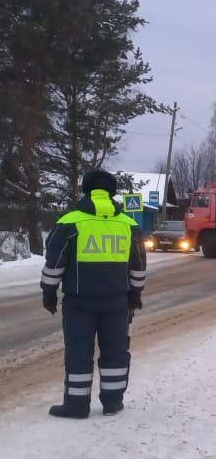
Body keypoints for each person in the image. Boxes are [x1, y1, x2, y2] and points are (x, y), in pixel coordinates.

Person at [41, 170, 146, 418]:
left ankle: (76, 405)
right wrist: (135, 293)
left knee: (79, 349)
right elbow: (139, 265)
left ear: (86, 190)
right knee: (115, 349)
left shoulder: (70, 221)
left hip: (79, 301)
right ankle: (112, 402)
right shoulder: (129, 225)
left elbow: (55, 262)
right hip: (118, 300)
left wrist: (48, 292)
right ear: (112, 192)